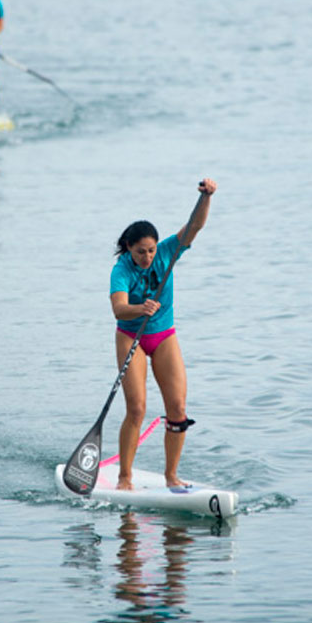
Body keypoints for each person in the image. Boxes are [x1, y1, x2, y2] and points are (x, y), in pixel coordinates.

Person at [110, 178, 217, 491]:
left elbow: (194, 226)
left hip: (164, 336)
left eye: (151, 251)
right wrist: (140, 308)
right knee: (137, 408)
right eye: (140, 252)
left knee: (178, 408)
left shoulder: (168, 252)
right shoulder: (121, 270)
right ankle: (124, 477)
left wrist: (206, 197)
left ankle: (171, 477)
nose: (146, 257)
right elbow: (118, 308)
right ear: (129, 249)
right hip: (131, 337)